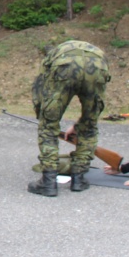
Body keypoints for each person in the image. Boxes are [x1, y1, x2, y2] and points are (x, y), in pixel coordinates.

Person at [28, 39, 110, 196]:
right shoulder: (93, 50)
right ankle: (79, 179)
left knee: (48, 126)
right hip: (98, 65)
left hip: (64, 67)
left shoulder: (53, 56)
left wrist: (43, 115)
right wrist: (80, 125)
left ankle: (48, 182)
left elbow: (38, 86)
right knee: (89, 126)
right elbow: (94, 111)